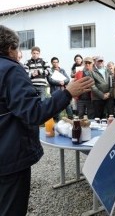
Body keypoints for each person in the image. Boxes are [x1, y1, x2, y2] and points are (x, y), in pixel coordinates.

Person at [0, 25, 94, 216]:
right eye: (18, 50)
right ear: (10, 48)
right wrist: (67, 93)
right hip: (9, 156)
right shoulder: (11, 70)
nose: (19, 55)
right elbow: (33, 113)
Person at [47, 57, 73, 121]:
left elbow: (68, 79)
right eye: (54, 62)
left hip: (63, 90)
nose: (55, 63)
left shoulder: (62, 70)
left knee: (67, 104)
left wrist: (64, 82)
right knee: (56, 105)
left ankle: (71, 118)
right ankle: (57, 120)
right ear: (52, 63)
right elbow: (50, 80)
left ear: (58, 63)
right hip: (55, 91)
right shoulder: (50, 70)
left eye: (56, 62)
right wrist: (59, 82)